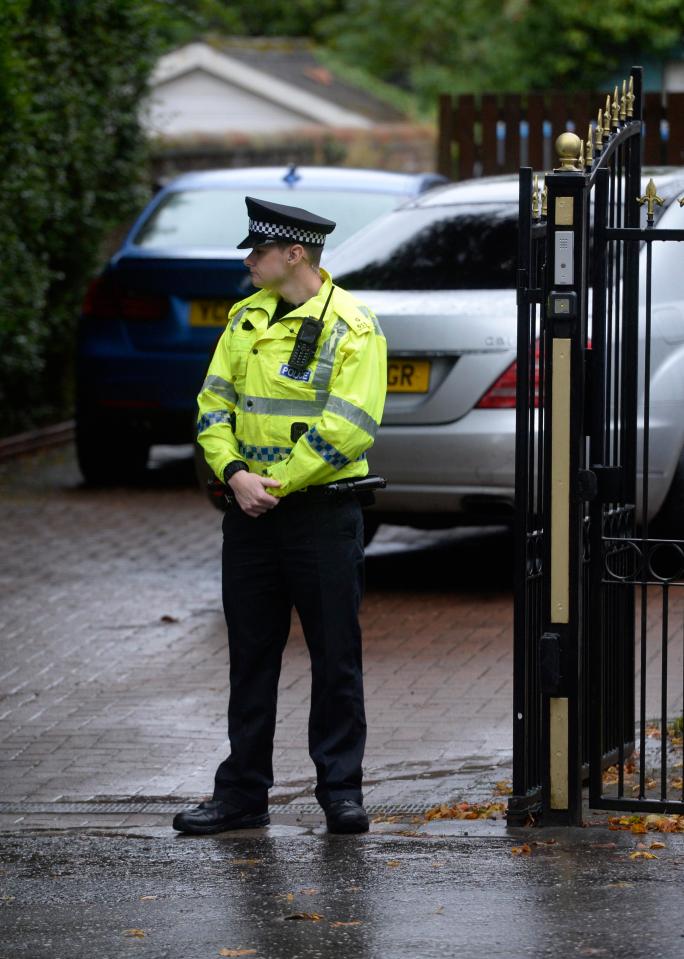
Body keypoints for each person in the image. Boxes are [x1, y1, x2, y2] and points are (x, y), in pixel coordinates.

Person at [173, 197, 387, 836]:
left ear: (294, 254)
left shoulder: (354, 324)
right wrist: (234, 474)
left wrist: (277, 483)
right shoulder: (245, 319)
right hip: (250, 516)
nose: (248, 260)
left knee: (335, 657)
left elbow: (350, 426)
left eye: (258, 251)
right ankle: (241, 795)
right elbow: (212, 405)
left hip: (321, 514)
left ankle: (341, 793)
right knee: (252, 655)